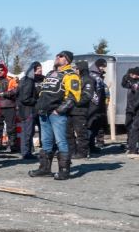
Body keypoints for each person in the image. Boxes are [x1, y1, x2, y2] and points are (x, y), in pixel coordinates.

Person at [29, 50, 81, 180]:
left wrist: (60, 110)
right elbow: (43, 92)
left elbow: (74, 96)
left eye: (61, 56)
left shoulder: (71, 75)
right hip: (43, 113)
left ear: (67, 60)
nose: (57, 57)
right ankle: (44, 169)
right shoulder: (50, 73)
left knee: (61, 141)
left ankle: (64, 170)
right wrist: (39, 107)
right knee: (45, 142)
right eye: (57, 55)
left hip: (57, 114)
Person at [69, 61, 96, 160]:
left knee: (81, 133)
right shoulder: (75, 78)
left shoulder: (89, 80)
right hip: (70, 110)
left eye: (76, 68)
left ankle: (83, 152)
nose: (75, 70)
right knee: (68, 132)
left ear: (81, 69)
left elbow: (87, 96)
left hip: (80, 110)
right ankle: (72, 151)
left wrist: (74, 101)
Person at [16, 62, 42, 160]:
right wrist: (36, 101)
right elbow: (25, 98)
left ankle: (27, 151)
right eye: (38, 68)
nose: (40, 70)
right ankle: (26, 153)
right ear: (33, 70)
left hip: (24, 110)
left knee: (27, 132)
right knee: (27, 132)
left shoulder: (24, 80)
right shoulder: (29, 81)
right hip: (28, 110)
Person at [0, 63, 19, 153]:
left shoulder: (11, 80)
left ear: (5, 71)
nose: (0, 72)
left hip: (9, 106)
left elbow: (16, 90)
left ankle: (12, 144)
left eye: (1, 70)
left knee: (11, 127)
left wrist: (5, 94)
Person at [87, 59, 109, 154]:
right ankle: (87, 147)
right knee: (90, 127)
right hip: (93, 106)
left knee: (96, 127)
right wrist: (96, 103)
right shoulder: (93, 76)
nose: (103, 69)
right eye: (103, 66)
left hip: (99, 106)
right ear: (99, 66)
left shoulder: (98, 76)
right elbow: (92, 92)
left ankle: (91, 146)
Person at [120, 66, 139, 143]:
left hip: (137, 108)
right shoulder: (131, 81)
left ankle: (134, 142)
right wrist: (128, 75)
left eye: (134, 74)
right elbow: (123, 84)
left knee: (135, 126)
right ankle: (129, 141)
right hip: (130, 107)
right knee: (128, 124)